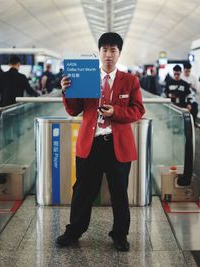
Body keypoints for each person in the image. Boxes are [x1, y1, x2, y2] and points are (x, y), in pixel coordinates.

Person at [57, 32, 145, 252]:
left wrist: (116, 112)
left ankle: (120, 234)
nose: (108, 54)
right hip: (91, 143)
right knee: (83, 190)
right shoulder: (85, 78)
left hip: (118, 144)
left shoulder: (130, 81)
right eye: (104, 49)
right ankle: (74, 230)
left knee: (119, 192)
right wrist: (66, 91)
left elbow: (138, 110)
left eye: (113, 50)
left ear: (119, 53)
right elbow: (74, 109)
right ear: (99, 52)